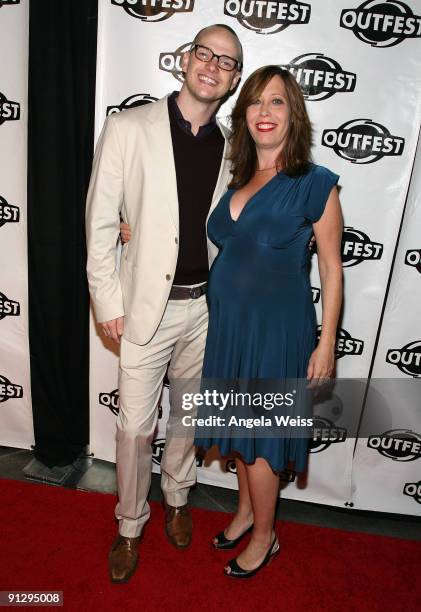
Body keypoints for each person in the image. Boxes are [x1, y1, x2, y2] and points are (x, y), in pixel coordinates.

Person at [85, 24, 242, 583]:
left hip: (206, 309)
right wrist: (108, 301)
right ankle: (130, 523)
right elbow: (101, 220)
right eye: (206, 54)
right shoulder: (129, 127)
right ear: (185, 59)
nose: (213, 66)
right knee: (133, 427)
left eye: (226, 62)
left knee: (189, 416)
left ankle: (177, 495)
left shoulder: (232, 147)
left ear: (233, 79)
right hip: (144, 308)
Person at [193, 65, 343, 578]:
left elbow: (330, 267)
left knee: (260, 442)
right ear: (244, 113)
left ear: (292, 114)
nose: (264, 112)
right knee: (241, 434)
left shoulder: (314, 183)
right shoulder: (236, 177)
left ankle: (265, 536)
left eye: (277, 102)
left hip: (277, 333)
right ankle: (242, 514)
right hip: (232, 329)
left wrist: (327, 344)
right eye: (256, 101)